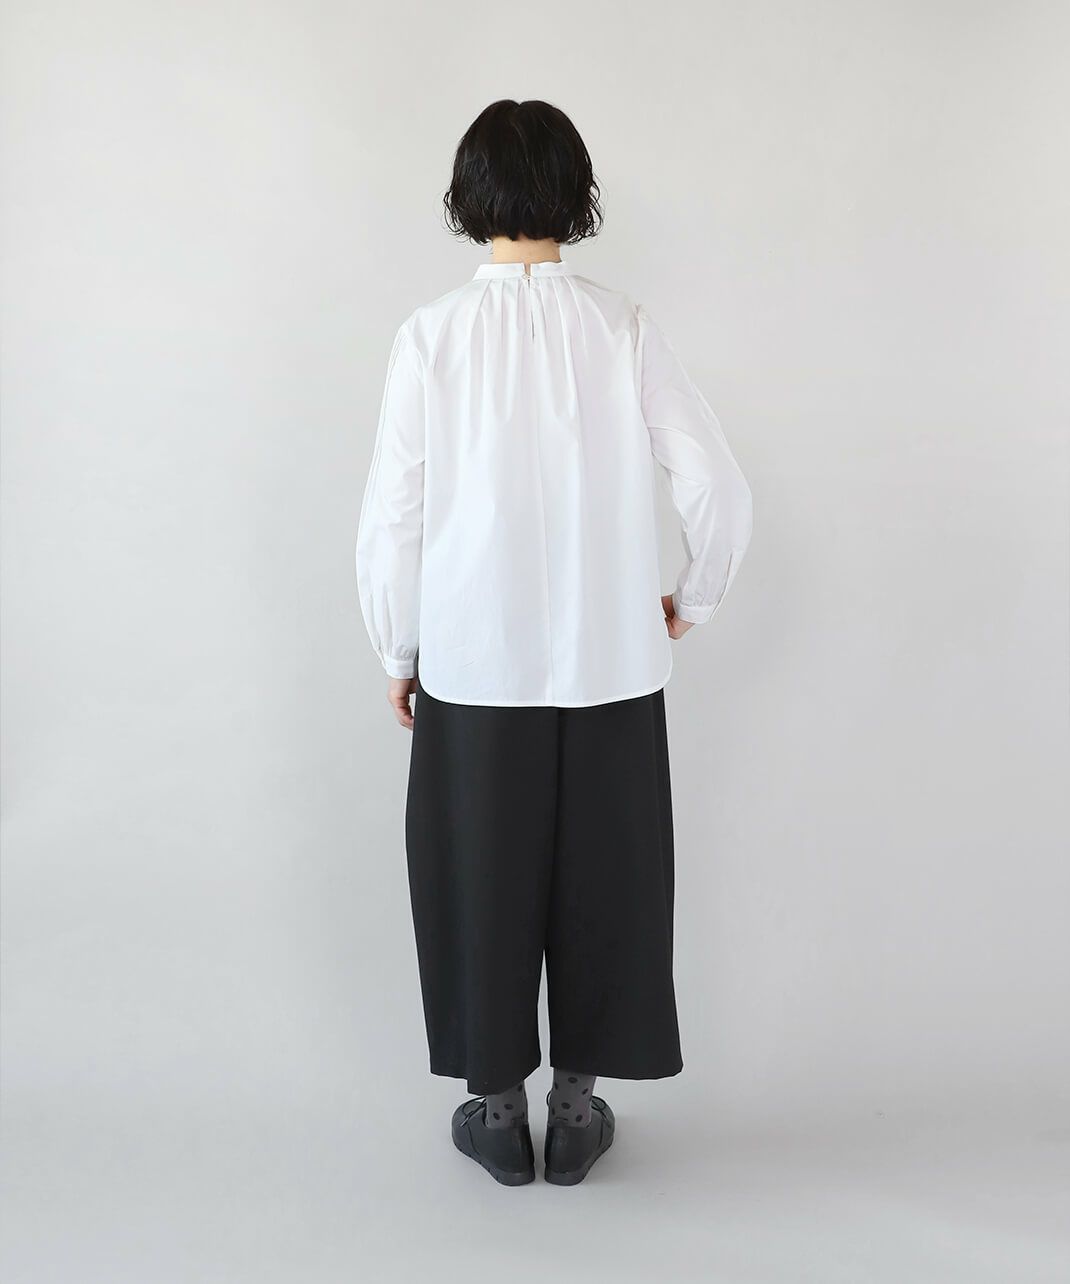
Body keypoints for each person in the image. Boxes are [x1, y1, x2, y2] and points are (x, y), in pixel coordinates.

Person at [355, 99, 753, 1187]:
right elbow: (716, 484)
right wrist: (693, 598)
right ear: (577, 194)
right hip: (610, 665)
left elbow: (394, 513)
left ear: (467, 196)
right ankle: (576, 1112)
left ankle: (496, 1114)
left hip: (473, 667)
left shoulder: (430, 335)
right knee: (609, 881)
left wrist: (399, 650)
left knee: (474, 880)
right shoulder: (622, 327)